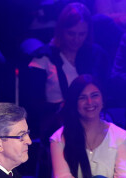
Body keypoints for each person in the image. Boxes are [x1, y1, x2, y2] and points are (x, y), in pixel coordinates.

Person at [27, 2, 110, 137]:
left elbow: (106, 93)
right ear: (61, 31)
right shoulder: (43, 58)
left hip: (92, 122)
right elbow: (34, 105)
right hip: (56, 126)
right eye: (71, 34)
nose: (76, 40)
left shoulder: (96, 55)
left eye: (82, 34)